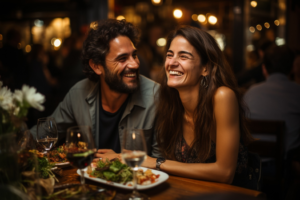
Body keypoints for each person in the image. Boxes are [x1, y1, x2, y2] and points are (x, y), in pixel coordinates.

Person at [29, 19, 161, 159]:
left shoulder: (156, 96)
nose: (134, 64)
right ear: (97, 66)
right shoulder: (78, 94)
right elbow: (41, 136)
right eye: (122, 58)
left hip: (140, 180)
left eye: (134, 55)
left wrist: (122, 159)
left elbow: (163, 162)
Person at [142, 26, 254, 187]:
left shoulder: (222, 96)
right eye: (169, 55)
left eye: (183, 57)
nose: (172, 63)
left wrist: (157, 163)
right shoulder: (171, 102)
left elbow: (225, 173)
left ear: (205, 68)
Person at [244, 45, 300, 158]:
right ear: (292, 68)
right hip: (286, 169)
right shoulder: (297, 92)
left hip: (252, 165)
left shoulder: (250, 93)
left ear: (264, 69)